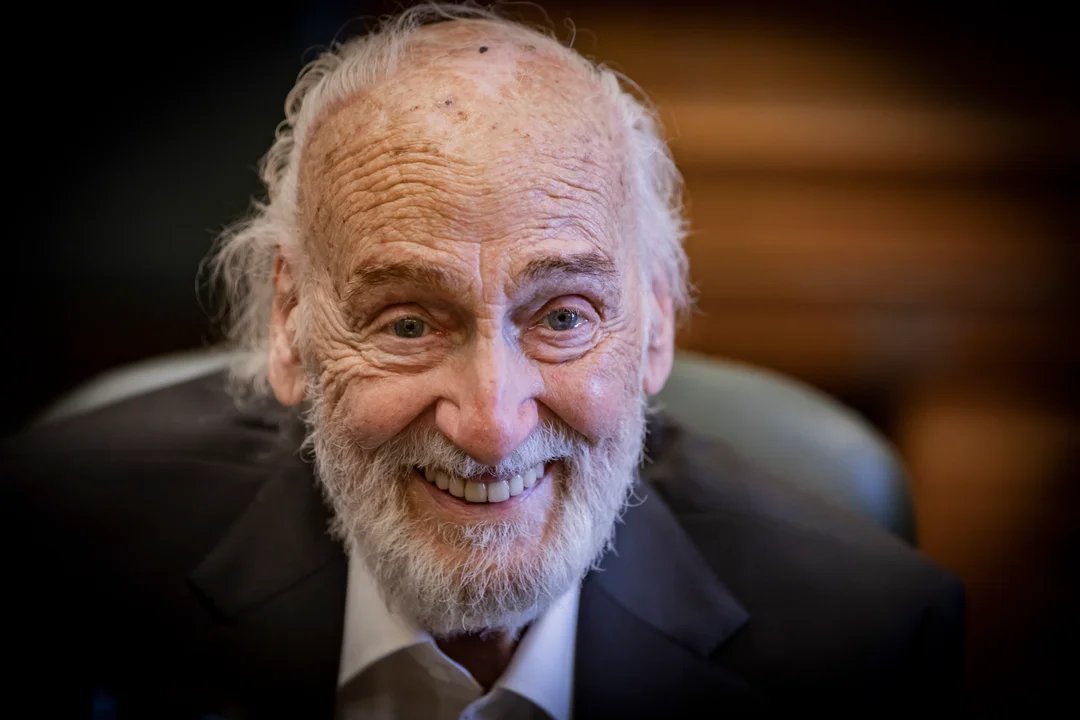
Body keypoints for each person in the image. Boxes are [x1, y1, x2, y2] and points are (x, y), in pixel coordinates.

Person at [2, 3, 964, 718]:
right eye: (407, 326)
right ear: (290, 325)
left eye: (563, 318)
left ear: (655, 329)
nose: (494, 425)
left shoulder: (863, 641)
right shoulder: (59, 542)